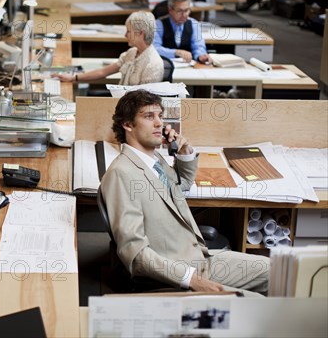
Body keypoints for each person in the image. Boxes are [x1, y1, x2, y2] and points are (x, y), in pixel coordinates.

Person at [100, 89, 269, 295]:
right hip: (172, 276)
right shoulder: (121, 174)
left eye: (160, 116)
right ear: (127, 125)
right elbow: (136, 254)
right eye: (148, 116)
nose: (159, 123)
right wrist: (192, 280)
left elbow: (180, 187)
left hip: (200, 259)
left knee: (279, 271)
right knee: (256, 302)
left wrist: (184, 152)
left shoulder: (153, 161)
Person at [53, 11, 163, 85]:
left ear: (141, 33)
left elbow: (145, 102)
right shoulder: (132, 53)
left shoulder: (153, 64)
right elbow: (103, 72)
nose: (125, 35)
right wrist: (73, 78)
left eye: (129, 31)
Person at [153, 0, 209, 64]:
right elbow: (155, 48)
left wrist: (201, 56)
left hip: (188, 67)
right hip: (165, 66)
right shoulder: (158, 24)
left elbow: (198, 46)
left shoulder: (194, 24)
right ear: (170, 10)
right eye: (180, 11)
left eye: (186, 10)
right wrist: (176, 52)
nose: (184, 15)